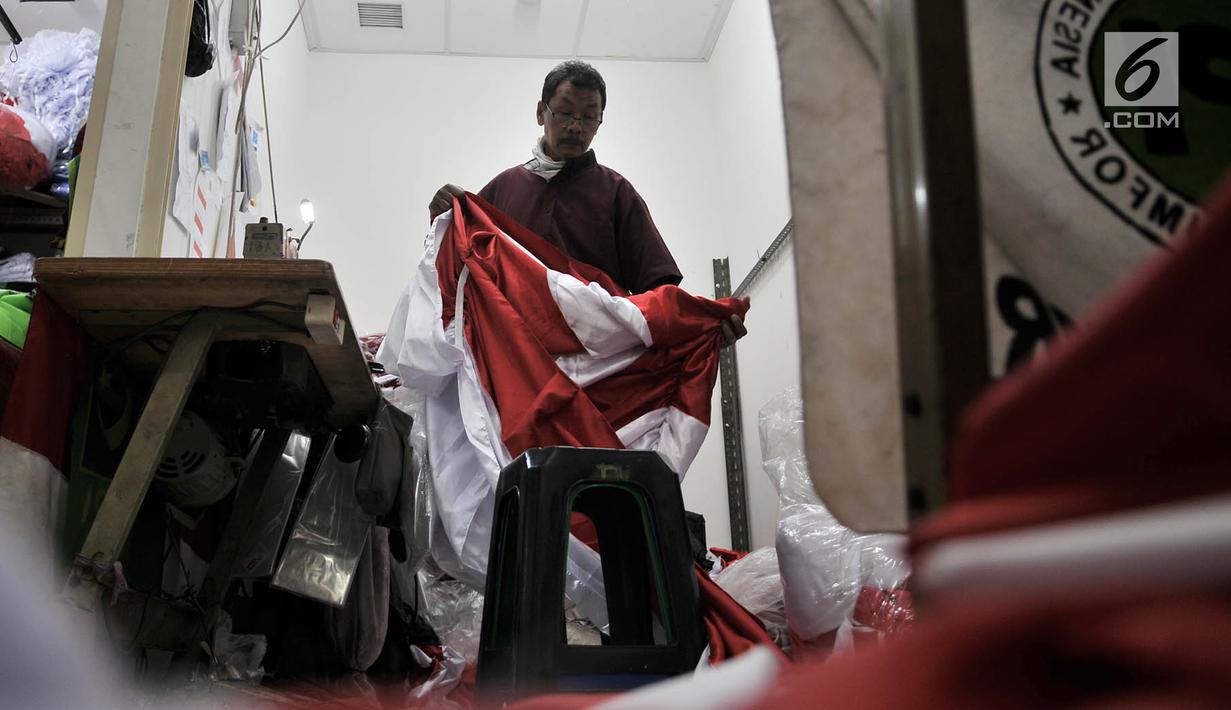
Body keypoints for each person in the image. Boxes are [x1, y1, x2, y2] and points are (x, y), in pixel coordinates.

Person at [429, 60, 747, 342]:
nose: (576, 127)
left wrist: (698, 329)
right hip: (517, 361)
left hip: (599, 363)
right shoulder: (501, 192)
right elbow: (460, 275)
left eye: (589, 117)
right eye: (565, 113)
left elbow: (658, 289)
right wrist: (441, 221)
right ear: (542, 112)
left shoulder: (615, 192)